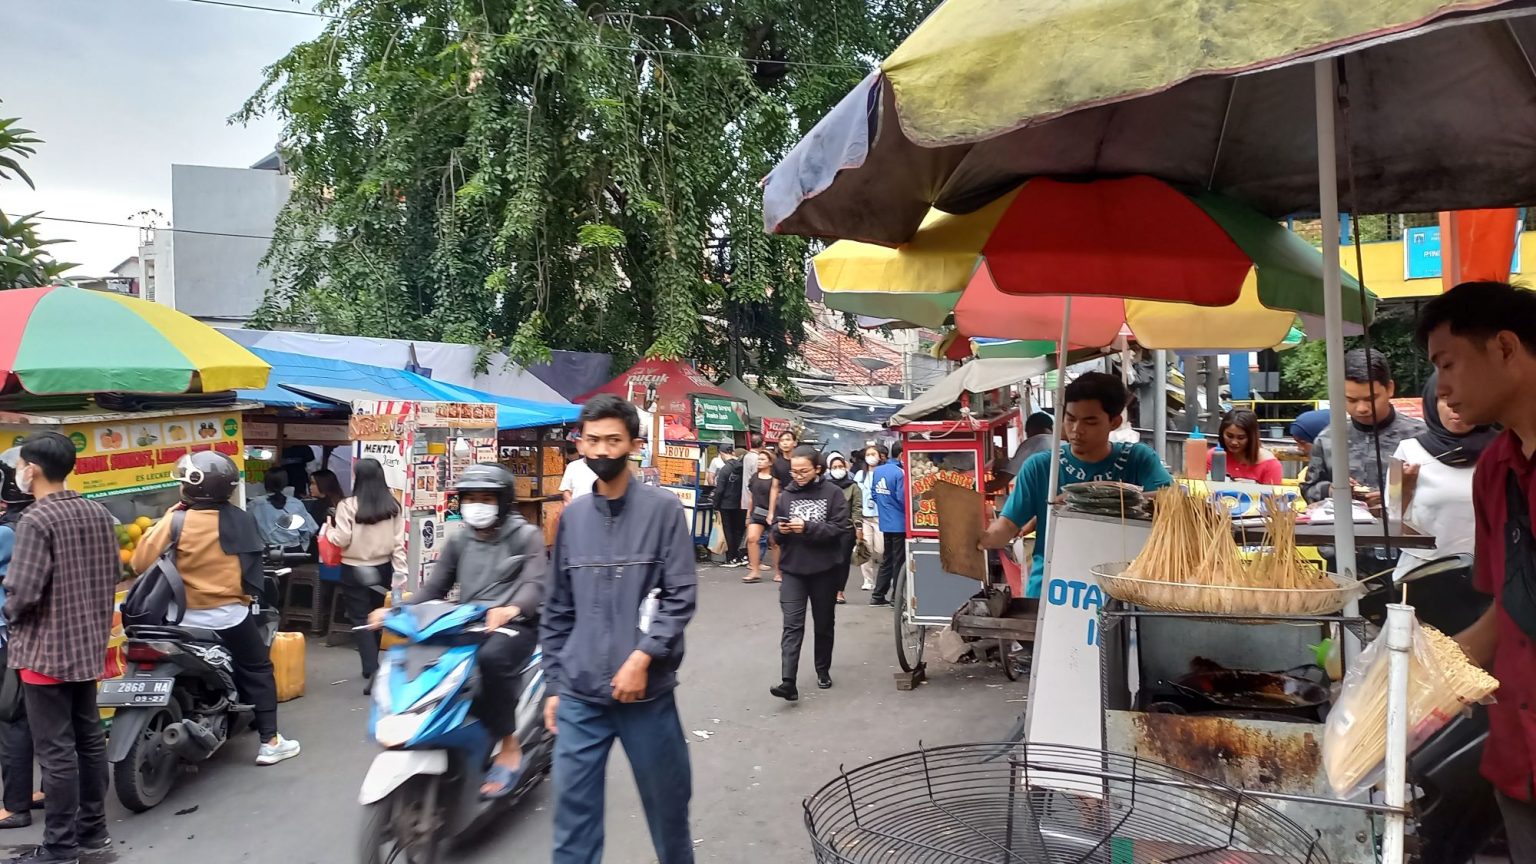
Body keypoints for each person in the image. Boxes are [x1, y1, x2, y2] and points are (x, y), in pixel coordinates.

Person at [542, 394, 699, 864]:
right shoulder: (573, 519)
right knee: (572, 827)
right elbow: (558, 608)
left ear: (633, 444)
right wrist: (554, 685)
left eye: (613, 440)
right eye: (593, 440)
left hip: (646, 696)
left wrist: (642, 657)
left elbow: (680, 596)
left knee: (669, 815)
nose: (602, 450)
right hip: (581, 695)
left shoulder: (663, 511)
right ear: (580, 444)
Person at [1415, 280, 1536, 859]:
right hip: (1520, 765)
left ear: (1505, 347)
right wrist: (1407, 679)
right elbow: (1504, 617)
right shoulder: (1496, 471)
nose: (1442, 387)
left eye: (1448, 363)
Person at [369, 463, 544, 797]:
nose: (477, 505)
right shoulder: (460, 538)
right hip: (469, 620)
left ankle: (509, 744)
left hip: (517, 623)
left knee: (491, 660)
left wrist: (511, 609)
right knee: (421, 656)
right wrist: (397, 611)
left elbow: (535, 584)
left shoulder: (527, 536)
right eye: (470, 498)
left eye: (486, 498)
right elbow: (435, 587)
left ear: (504, 501)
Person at [131, 451, 301, 767]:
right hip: (229, 617)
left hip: (181, 620)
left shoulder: (176, 521)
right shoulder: (243, 519)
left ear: (191, 487)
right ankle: (270, 742)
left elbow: (139, 563)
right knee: (258, 669)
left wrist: (170, 517)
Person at [2, 432, 118, 863]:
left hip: (44, 652)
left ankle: (60, 846)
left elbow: (24, 592)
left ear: (31, 469)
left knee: (55, 752)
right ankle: (94, 833)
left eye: (21, 465)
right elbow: (113, 573)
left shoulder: (36, 520)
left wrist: (9, 608)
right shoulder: (97, 512)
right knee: (88, 741)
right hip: (87, 647)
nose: (19, 472)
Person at [979, 373, 1174, 598]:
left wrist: (1089, 497)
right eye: (1070, 419)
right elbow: (1006, 527)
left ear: (1114, 422)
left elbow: (1171, 500)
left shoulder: (1138, 459)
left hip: (1122, 592)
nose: (1076, 430)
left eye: (1090, 422)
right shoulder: (1041, 467)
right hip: (1052, 593)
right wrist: (982, 538)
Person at [1389, 372, 1494, 582]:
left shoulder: (1502, 451)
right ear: (1432, 403)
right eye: (1445, 398)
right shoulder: (1407, 450)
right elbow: (1391, 523)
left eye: (1467, 397)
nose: (1455, 407)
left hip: (1488, 575)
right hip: (1425, 575)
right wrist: (1404, 489)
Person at [769, 447, 851, 700]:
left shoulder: (833, 493)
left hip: (824, 570)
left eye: (803, 471)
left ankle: (822, 669)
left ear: (817, 469)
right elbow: (775, 532)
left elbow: (839, 529)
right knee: (792, 625)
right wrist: (781, 530)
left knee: (823, 624)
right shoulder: (786, 495)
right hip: (793, 570)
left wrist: (807, 527)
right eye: (794, 471)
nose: (798, 476)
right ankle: (788, 681)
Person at [1301, 348, 1427, 512]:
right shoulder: (1328, 439)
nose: (1362, 408)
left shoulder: (1420, 437)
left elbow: (1442, 491)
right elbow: (1309, 490)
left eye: (1371, 399)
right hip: (1346, 526)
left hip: (1404, 526)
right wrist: (1333, 490)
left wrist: (1395, 495)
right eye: (1351, 400)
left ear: (1389, 388)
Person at [323, 458, 407, 693]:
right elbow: (399, 543)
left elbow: (342, 539)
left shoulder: (347, 505)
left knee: (360, 619)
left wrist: (329, 530)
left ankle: (372, 668)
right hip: (382, 568)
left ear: (357, 477)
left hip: (354, 568)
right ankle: (372, 666)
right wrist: (401, 572)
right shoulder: (392, 505)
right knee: (376, 617)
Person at [0, 450, 40, 831]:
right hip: (40, 634)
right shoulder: (40, 518)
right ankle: (39, 792)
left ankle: (16, 806)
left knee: (12, 717)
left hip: (10, 637)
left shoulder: (10, 531)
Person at [868, 442, 907, 607]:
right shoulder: (900, 473)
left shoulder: (878, 471)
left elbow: (874, 494)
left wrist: (886, 508)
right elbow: (903, 498)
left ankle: (877, 595)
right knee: (899, 561)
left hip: (885, 522)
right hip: (900, 523)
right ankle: (896, 598)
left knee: (887, 559)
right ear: (902, 454)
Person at [821, 452, 861, 606]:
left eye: (840, 466)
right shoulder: (824, 486)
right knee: (827, 559)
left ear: (846, 468)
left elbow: (857, 508)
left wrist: (858, 526)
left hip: (846, 529)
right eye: (834, 467)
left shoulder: (853, 486)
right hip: (828, 528)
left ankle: (839, 591)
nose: (838, 469)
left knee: (842, 561)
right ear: (829, 469)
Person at [247, 468, 318, 549]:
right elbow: (310, 530)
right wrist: (301, 546)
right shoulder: (296, 503)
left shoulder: (254, 504)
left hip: (267, 550)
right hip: (294, 550)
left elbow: (248, 530)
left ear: (265, 483)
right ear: (285, 483)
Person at [1212, 409, 1283, 484]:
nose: (1234, 442)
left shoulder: (1270, 465)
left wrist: (1254, 487)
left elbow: (1273, 491)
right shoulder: (1213, 456)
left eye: (1241, 438)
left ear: (1252, 437)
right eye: (1229, 436)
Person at [766, 430, 800, 583]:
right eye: (782, 440)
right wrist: (771, 511)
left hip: (799, 502)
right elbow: (774, 487)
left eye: (788, 439)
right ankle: (778, 571)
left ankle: (797, 569)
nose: (785, 443)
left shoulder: (800, 461)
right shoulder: (777, 464)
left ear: (795, 443)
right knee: (775, 538)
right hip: (782, 503)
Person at [852, 444, 885, 592]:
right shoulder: (860, 475)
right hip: (865, 517)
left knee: (881, 549)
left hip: (880, 516)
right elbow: (856, 496)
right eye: (868, 455)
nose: (871, 457)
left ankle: (884, 578)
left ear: (880, 457)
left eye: (873, 454)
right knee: (866, 549)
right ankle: (868, 580)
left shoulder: (883, 473)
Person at [742, 446, 776, 584]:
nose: (759, 462)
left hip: (773, 513)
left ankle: (779, 572)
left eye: (763, 459)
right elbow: (751, 497)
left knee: (775, 542)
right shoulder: (755, 477)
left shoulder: (775, 479)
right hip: (757, 512)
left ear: (770, 462)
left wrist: (772, 513)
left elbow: (777, 496)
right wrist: (748, 515)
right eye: (759, 459)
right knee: (752, 539)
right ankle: (755, 570)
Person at [711, 444, 746, 567]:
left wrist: (715, 504)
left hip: (726, 504)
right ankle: (739, 556)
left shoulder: (725, 469)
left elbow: (720, 489)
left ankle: (731, 557)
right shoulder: (742, 467)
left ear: (721, 453)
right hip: (740, 503)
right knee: (738, 530)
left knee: (728, 531)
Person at [559, 436, 597, 504]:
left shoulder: (607, 467)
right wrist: (572, 504)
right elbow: (566, 490)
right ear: (580, 445)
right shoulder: (572, 466)